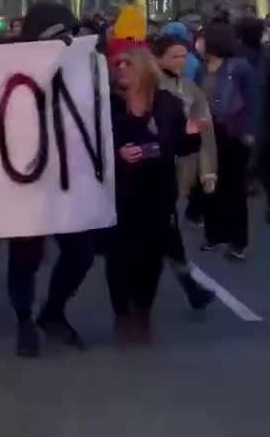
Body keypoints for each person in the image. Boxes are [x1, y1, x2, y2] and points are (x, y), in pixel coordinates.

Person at [6, 3, 96, 358]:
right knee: (25, 256)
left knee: (81, 253)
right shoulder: (10, 71)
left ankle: (53, 312)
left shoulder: (86, 68)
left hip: (72, 178)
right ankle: (24, 320)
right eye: (61, 35)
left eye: (72, 34)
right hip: (26, 178)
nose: (69, 41)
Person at [108, 47, 188, 343]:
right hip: (119, 192)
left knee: (150, 256)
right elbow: (93, 146)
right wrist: (118, 153)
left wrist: (151, 150)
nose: (122, 68)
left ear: (145, 68)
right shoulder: (108, 105)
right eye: (118, 64)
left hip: (157, 189)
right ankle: (122, 313)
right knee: (119, 256)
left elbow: (178, 144)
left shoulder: (167, 104)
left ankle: (143, 311)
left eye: (129, 63)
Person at [152, 36, 219, 310]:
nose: (181, 61)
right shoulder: (148, 88)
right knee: (165, 231)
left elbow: (205, 134)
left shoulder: (192, 91)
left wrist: (208, 172)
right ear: (158, 58)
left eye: (184, 55)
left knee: (166, 230)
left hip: (182, 168)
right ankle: (189, 288)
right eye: (175, 56)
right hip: (150, 170)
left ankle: (189, 288)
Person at [199, 21, 256, 261]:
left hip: (233, 134)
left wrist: (251, 131)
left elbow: (254, 100)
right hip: (207, 133)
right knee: (210, 185)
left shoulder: (239, 67)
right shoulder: (202, 68)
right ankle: (214, 235)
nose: (198, 43)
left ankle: (238, 242)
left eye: (202, 39)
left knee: (233, 189)